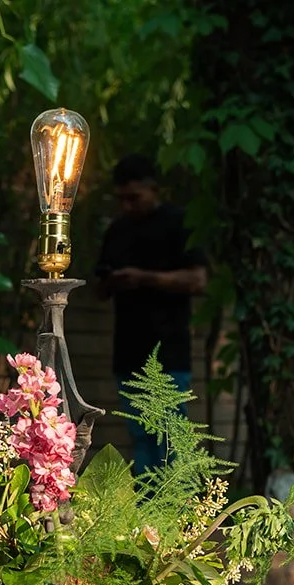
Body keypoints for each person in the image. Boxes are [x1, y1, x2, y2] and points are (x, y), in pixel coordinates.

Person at [94, 154, 208, 474]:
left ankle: (176, 513)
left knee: (171, 438)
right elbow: (98, 289)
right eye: (121, 199)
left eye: (134, 197)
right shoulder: (117, 230)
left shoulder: (178, 222)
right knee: (141, 439)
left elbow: (198, 279)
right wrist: (114, 281)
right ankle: (146, 518)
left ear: (154, 189)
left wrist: (144, 278)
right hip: (129, 353)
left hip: (169, 352)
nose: (128, 205)